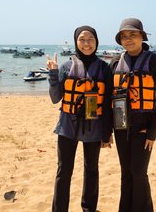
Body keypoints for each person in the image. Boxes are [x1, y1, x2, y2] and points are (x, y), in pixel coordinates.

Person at [47, 25, 113, 212]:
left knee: (91, 169)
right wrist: (53, 74)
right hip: (67, 127)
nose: (86, 43)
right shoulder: (67, 67)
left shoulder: (104, 69)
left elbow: (108, 103)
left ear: (96, 42)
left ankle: (89, 208)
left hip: (94, 127)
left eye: (90, 39)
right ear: (76, 42)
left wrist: (107, 133)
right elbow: (55, 98)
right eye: (82, 39)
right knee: (63, 171)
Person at [110, 18, 156, 212]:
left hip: (143, 127)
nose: (128, 39)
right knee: (125, 172)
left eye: (132, 35)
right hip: (120, 126)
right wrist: (106, 130)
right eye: (124, 36)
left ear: (142, 37)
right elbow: (106, 98)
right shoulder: (116, 63)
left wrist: (153, 132)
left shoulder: (155, 62)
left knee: (139, 172)